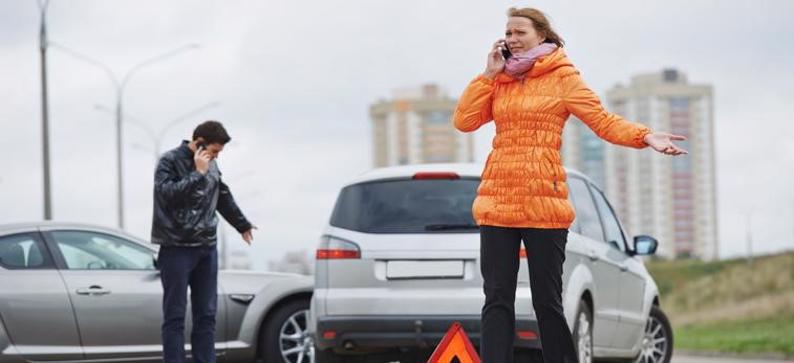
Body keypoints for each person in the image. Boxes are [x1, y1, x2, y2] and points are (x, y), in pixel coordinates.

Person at [453, 7, 687, 363]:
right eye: (509, 33)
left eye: (521, 33)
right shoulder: (500, 79)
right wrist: (488, 74)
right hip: (497, 203)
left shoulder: (563, 78)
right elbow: (465, 121)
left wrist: (645, 136)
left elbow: (603, 121)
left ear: (542, 35)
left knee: (547, 300)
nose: (513, 40)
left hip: (544, 207)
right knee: (496, 299)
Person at [151, 120, 256, 363]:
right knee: (175, 317)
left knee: (207, 316)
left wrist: (242, 224)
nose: (217, 155)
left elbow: (222, 194)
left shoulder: (212, 164)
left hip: (206, 249)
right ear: (199, 142)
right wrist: (197, 173)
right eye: (215, 150)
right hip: (176, 248)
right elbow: (166, 195)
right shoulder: (169, 161)